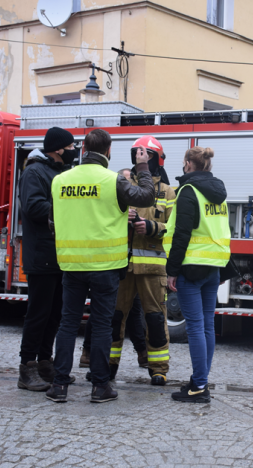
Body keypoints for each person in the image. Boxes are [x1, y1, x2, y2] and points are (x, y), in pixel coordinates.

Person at [47, 129, 155, 403]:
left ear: (83, 147)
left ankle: (59, 385)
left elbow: (52, 222)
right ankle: (100, 386)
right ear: (108, 151)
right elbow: (146, 197)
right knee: (101, 325)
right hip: (106, 265)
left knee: (68, 323)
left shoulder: (60, 181)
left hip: (71, 264)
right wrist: (142, 165)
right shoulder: (113, 181)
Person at [105, 137, 176, 385]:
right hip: (122, 265)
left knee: (155, 319)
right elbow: (106, 220)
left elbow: (173, 228)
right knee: (114, 319)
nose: (139, 159)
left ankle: (158, 369)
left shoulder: (168, 192)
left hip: (153, 268)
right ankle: (107, 366)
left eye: (145, 155)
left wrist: (152, 226)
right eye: (137, 154)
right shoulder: (122, 185)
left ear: (155, 159)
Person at [164, 146, 229, 403]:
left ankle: (199, 386)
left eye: (184, 162)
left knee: (195, 328)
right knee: (206, 326)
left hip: (191, 267)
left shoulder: (188, 192)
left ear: (189, 164)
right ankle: (199, 380)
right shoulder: (219, 192)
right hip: (213, 266)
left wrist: (172, 270)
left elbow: (181, 235)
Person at [16, 127, 76, 391]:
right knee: (38, 314)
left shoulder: (59, 172)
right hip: (42, 254)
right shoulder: (34, 171)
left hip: (60, 255)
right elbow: (33, 207)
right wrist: (67, 208)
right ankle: (26, 368)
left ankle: (44, 362)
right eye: (71, 146)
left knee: (54, 314)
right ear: (58, 149)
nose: (75, 151)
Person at [80, 167, 149, 371]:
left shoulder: (135, 201)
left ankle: (142, 352)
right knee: (102, 310)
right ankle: (88, 352)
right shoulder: (111, 198)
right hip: (110, 262)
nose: (128, 185)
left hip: (130, 262)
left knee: (134, 309)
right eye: (125, 180)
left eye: (131, 181)